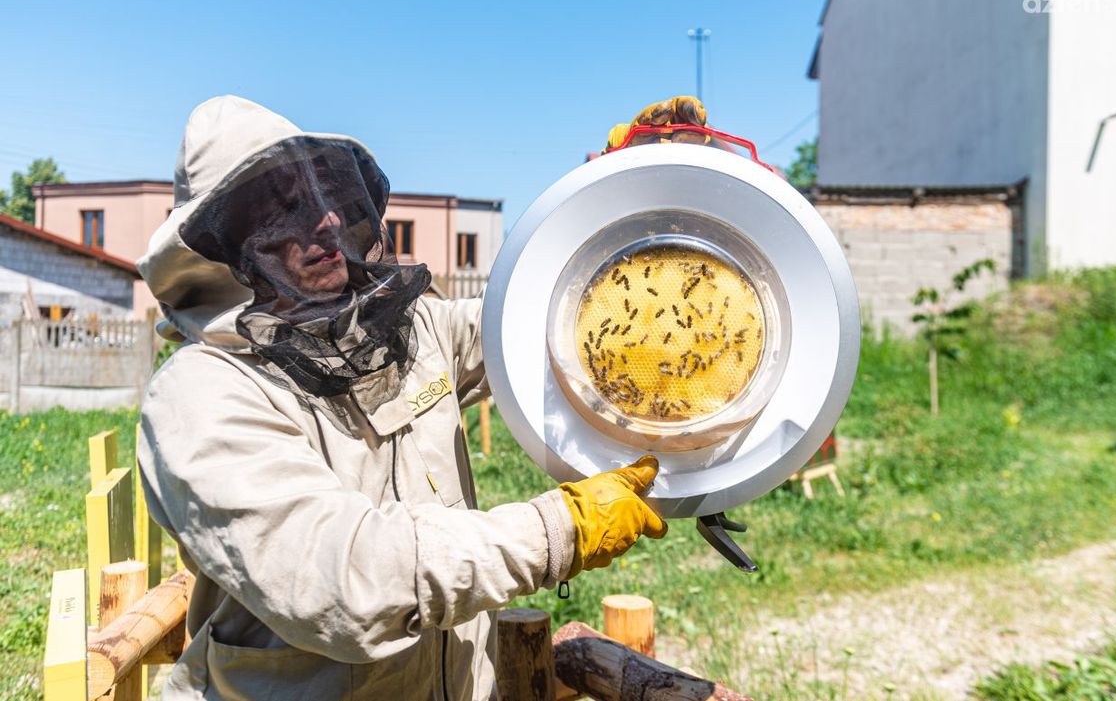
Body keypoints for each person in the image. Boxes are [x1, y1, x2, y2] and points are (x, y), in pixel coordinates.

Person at [137, 94, 704, 700]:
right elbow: (349, 581)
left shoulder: (404, 333)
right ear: (222, 245)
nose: (326, 221)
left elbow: (536, 321)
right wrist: (558, 528)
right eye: (283, 210)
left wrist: (623, 191)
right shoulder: (199, 396)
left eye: (324, 199)